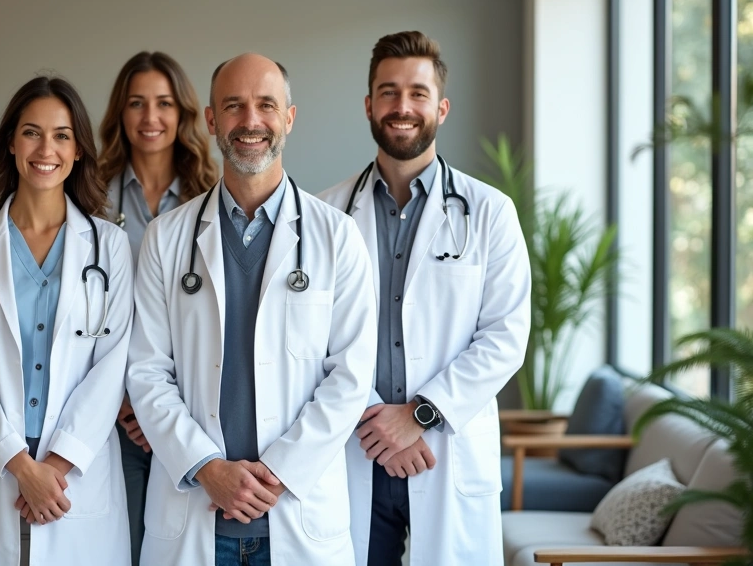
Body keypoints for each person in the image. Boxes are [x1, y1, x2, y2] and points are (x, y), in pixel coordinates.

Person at [126, 53, 377, 566]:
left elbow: (350, 375)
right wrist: (207, 468)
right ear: (213, 120)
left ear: (289, 117)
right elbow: (147, 371)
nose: (251, 121)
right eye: (234, 106)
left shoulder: (337, 237)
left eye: (266, 105)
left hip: (296, 514)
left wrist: (280, 471)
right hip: (195, 508)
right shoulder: (166, 238)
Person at [318, 31, 531, 566]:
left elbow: (505, 337)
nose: (402, 107)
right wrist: (378, 420)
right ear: (369, 105)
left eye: (417, 93)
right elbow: (310, 334)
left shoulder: (489, 212)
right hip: (357, 449)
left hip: (445, 453)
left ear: (441, 107)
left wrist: (421, 414)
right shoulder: (324, 215)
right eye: (388, 92)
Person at [0, 76, 132, 566]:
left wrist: (54, 468)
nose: (47, 148)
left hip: (76, 466)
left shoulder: (110, 246)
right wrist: (21, 466)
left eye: (62, 134)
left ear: (80, 148)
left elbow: (112, 366)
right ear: (11, 142)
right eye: (32, 132)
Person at [97, 51, 218, 566]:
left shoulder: (211, 196)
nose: (151, 118)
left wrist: (159, 409)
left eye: (164, 104)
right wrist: (126, 401)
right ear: (119, 115)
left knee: (178, 549)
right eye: (137, 103)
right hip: (108, 409)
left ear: (184, 114)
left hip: (183, 408)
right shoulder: (89, 195)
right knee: (117, 546)